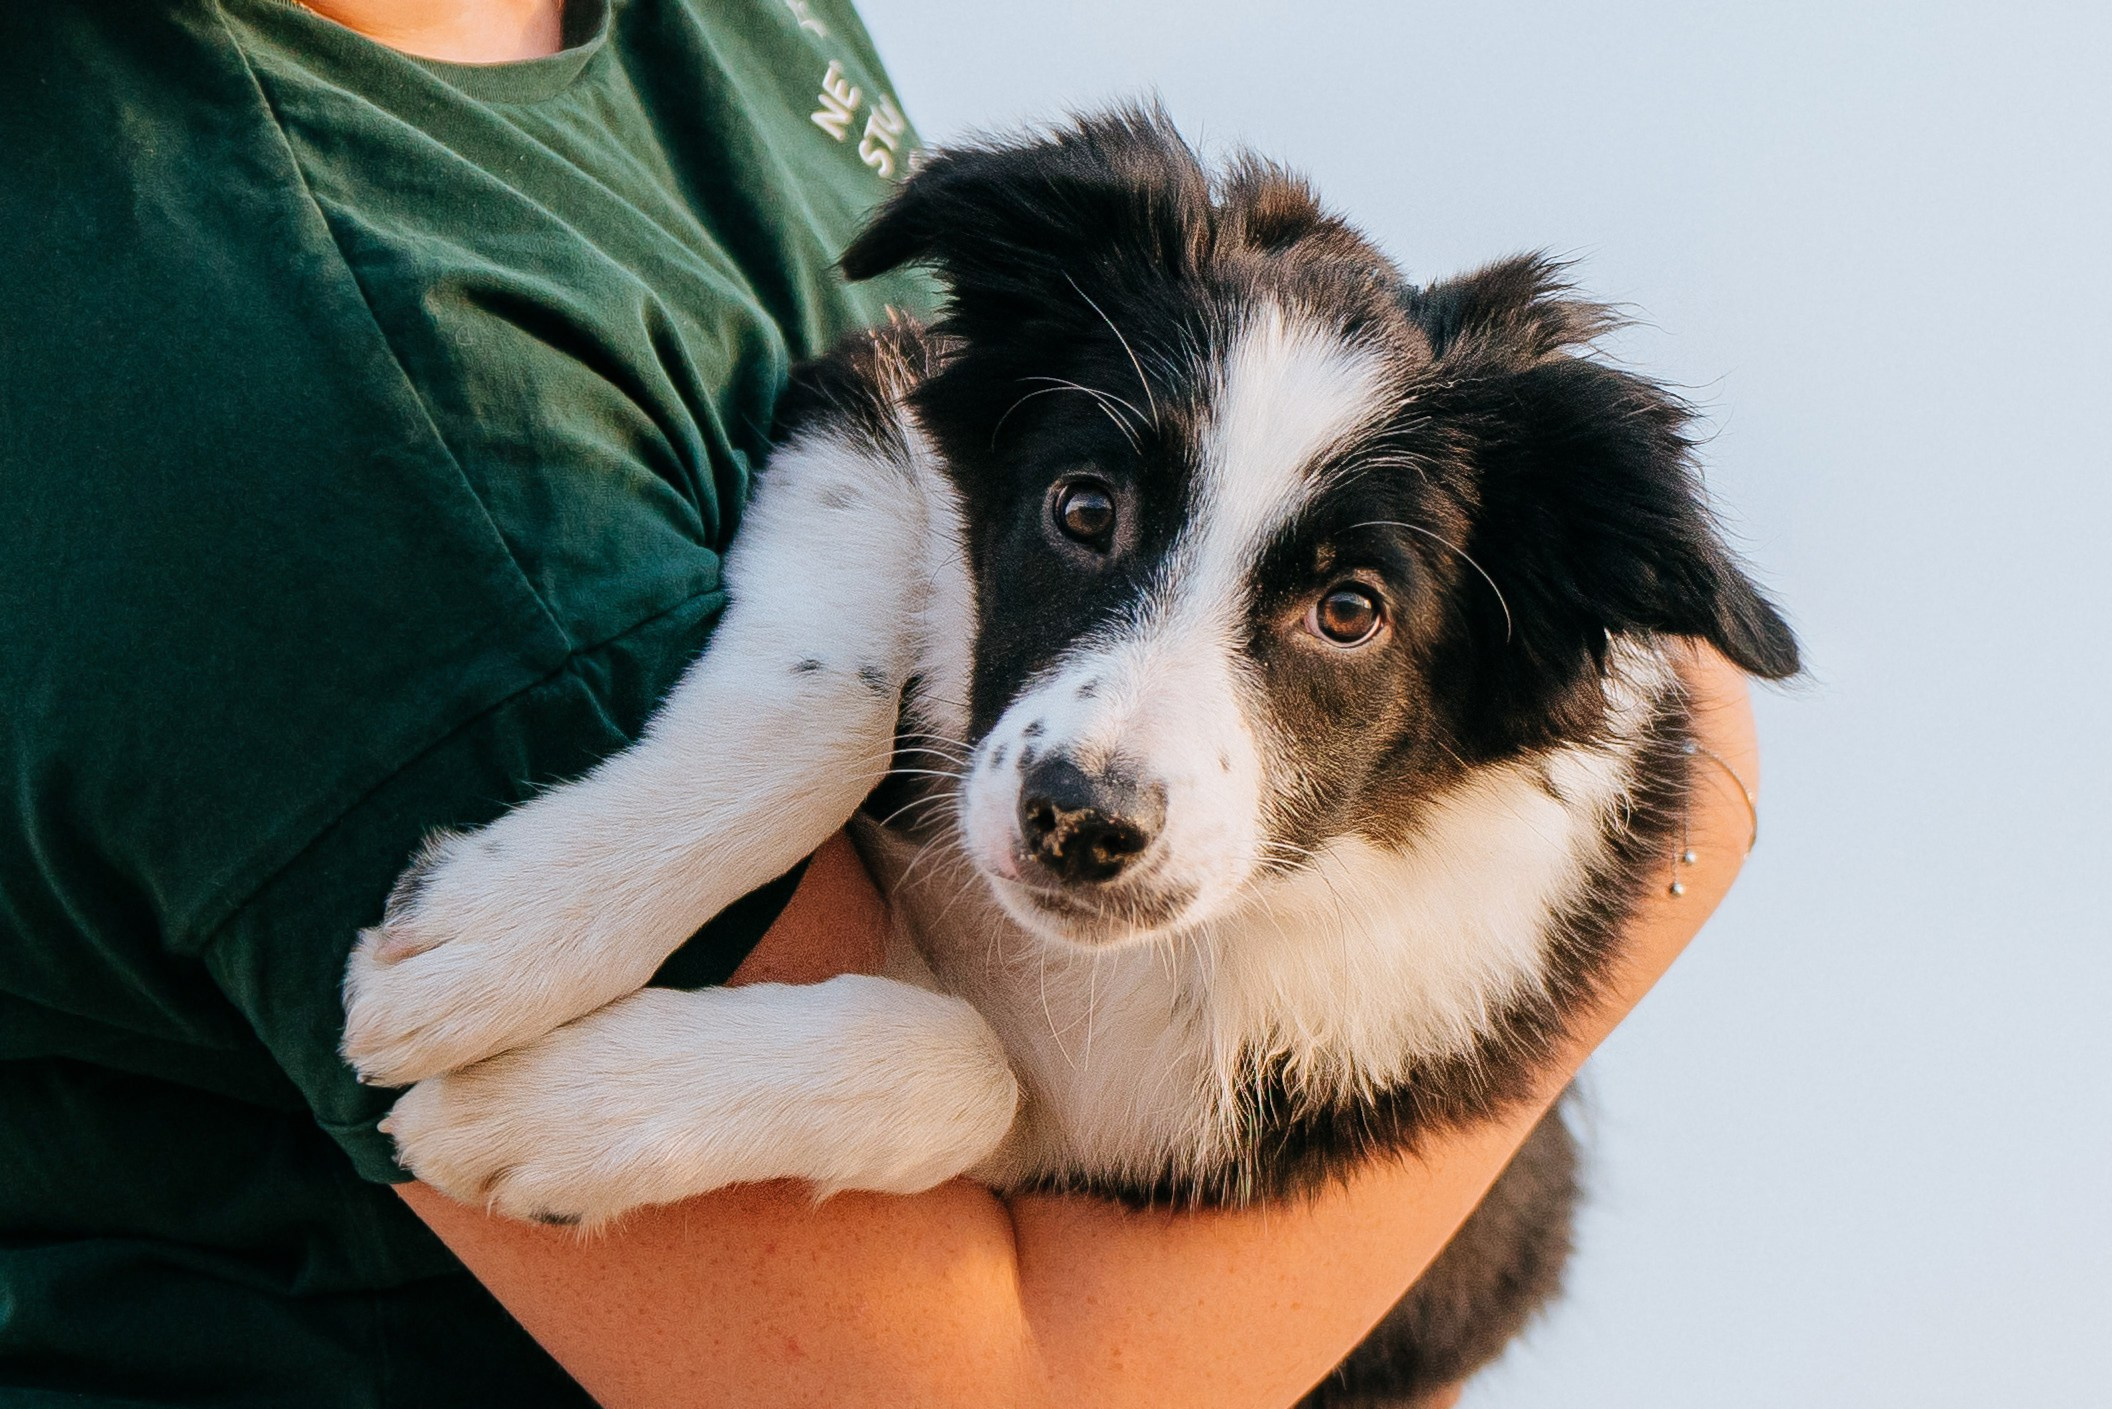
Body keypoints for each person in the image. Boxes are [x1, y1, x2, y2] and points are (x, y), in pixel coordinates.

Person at [0, 1, 1764, 1405]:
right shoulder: (303, 378)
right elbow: (993, 1378)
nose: (1110, 760)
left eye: (1344, 607)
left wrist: (1691, 798)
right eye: (1091, 515)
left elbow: (915, 396)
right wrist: (1704, 823)